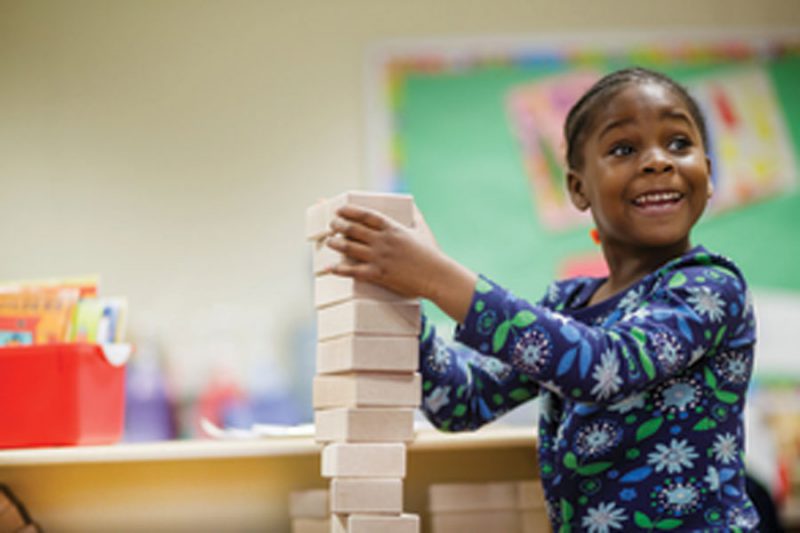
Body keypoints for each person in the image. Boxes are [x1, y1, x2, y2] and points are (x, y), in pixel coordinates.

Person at [326, 67, 759, 531]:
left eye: (678, 144)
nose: (658, 161)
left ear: (709, 175)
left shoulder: (709, 288)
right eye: (623, 149)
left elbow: (602, 368)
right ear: (578, 188)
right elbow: (459, 401)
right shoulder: (569, 302)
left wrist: (435, 276)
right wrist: (400, 292)